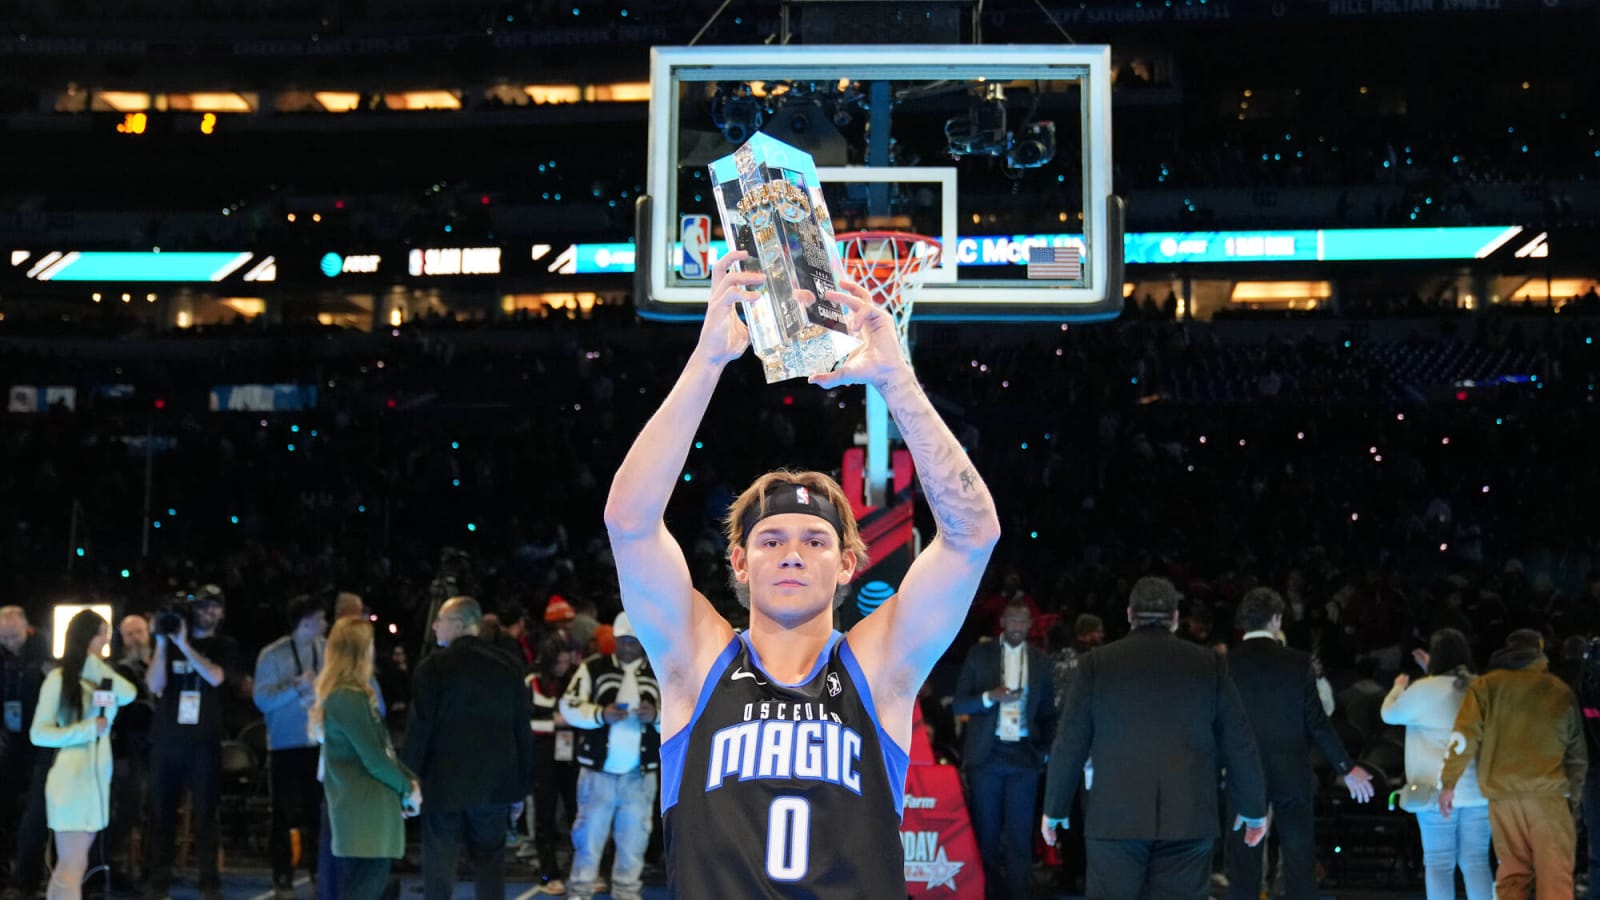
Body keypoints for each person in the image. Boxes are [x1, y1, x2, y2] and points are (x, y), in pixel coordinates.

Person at [605, 256, 1002, 897]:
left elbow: (973, 535)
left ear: (847, 563)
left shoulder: (879, 666)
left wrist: (895, 379)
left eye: (816, 540)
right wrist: (707, 361)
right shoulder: (696, 658)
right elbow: (628, 521)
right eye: (771, 539)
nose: (792, 553)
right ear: (738, 562)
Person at [1041, 576, 1270, 900]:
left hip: (1115, 819)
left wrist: (1055, 807)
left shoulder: (1095, 664)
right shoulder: (1209, 664)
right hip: (1189, 818)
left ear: (1130, 614)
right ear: (1176, 618)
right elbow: (1239, 741)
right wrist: (1254, 807)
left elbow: (1070, 742)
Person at [1224, 587, 1374, 900]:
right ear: (1277, 619)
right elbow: (1318, 723)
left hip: (1243, 774)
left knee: (1243, 862)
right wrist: (1346, 767)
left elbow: (1216, 725)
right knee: (1298, 857)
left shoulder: (1225, 664)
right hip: (1291, 771)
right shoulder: (1297, 662)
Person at [1439, 628, 1587, 900]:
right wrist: (1572, 799)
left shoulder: (1485, 686)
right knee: (1555, 878)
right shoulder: (1558, 690)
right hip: (1548, 798)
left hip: (1502, 797)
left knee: (1512, 876)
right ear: (1539, 652)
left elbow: (1463, 735)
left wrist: (1449, 783)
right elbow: (1577, 754)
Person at [402, 596, 533, 900]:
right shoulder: (509, 665)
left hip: (443, 785)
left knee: (439, 869)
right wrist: (521, 787)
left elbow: (419, 730)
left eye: (440, 620)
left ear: (458, 624)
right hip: (495, 786)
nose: (434, 626)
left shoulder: (432, 667)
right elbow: (521, 731)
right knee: (490, 869)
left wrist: (407, 780)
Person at [953, 599, 1058, 900]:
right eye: (1012, 620)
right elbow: (960, 703)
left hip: (1024, 757)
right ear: (1002, 620)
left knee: (1020, 839)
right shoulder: (979, 654)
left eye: (1023, 622)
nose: (1017, 627)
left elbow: (1049, 715)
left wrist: (1044, 752)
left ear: (1030, 626)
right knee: (986, 837)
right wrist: (990, 697)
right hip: (987, 756)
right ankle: (986, 894)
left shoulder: (1041, 662)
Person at [29, 610, 137, 900]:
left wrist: (93, 664)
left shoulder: (102, 677)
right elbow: (38, 733)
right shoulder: (58, 678)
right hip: (72, 778)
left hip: (96, 778)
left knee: (75, 865)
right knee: (72, 865)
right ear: (88, 636)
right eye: (102, 632)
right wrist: (86, 730)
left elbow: (128, 693)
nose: (106, 639)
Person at [311, 617, 421, 900]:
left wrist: (409, 783)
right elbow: (375, 758)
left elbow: (381, 753)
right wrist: (407, 788)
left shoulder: (353, 697)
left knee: (365, 886)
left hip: (367, 811)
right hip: (364, 813)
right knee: (364, 889)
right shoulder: (346, 698)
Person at [144, 586, 241, 900]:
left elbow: (215, 677)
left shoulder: (225, 645)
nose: (208, 612)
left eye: (215, 607)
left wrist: (184, 645)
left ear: (223, 613)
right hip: (167, 739)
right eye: (202, 606)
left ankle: (208, 882)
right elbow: (154, 685)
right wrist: (161, 642)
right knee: (162, 812)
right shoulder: (169, 643)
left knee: (205, 814)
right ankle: (158, 879)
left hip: (203, 740)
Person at [1380, 629, 1491, 900]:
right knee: (1476, 861)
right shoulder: (1481, 686)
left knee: (1439, 863)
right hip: (1478, 791)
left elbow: (1389, 714)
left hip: (1434, 791)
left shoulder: (1424, 688)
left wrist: (1398, 686)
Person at [558, 613, 661, 900]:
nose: (628, 647)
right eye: (623, 641)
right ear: (614, 640)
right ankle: (580, 890)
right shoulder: (594, 668)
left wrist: (655, 717)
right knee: (588, 837)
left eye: (634, 641)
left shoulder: (658, 671)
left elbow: (683, 716)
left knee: (634, 840)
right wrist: (600, 715)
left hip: (640, 775)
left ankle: (627, 892)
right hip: (597, 773)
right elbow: (569, 705)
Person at [253, 595, 330, 899]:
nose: (326, 624)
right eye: (321, 618)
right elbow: (262, 701)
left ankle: (318, 872)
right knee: (282, 816)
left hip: (317, 743)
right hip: (284, 745)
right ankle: (282, 876)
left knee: (317, 813)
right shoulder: (272, 655)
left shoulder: (325, 651)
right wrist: (296, 689)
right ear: (307, 621)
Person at [1, 605, 51, 898]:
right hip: (10, 740)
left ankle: (30, 876)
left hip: (41, 743)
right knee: (4, 808)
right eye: (3, 639)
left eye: (13, 637)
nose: (9, 644)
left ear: (26, 628)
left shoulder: (44, 650)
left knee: (34, 814)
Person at [524, 634, 579, 895]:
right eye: (559, 662)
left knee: (576, 812)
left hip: (571, 753)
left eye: (567, 661)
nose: (563, 666)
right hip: (542, 754)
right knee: (544, 815)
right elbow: (520, 723)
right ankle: (548, 872)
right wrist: (551, 724)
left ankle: (581, 869)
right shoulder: (531, 681)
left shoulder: (576, 678)